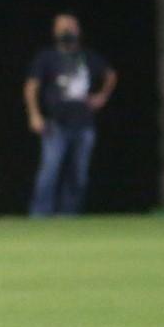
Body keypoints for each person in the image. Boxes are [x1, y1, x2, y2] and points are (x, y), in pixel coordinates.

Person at [24, 13, 117, 216]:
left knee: (78, 175)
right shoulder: (47, 57)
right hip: (55, 124)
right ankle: (39, 216)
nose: (67, 31)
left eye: (70, 26)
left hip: (84, 124)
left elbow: (110, 75)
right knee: (49, 172)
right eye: (62, 27)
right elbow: (31, 86)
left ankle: (69, 216)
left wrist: (101, 96)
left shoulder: (88, 57)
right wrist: (34, 114)